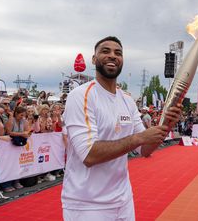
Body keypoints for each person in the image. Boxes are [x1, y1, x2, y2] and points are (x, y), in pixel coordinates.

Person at [61, 36, 182, 220]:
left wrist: (165, 126)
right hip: (87, 205)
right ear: (94, 59)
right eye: (105, 51)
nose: (112, 56)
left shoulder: (127, 100)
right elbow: (89, 155)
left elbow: (145, 150)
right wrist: (139, 138)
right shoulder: (81, 96)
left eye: (118, 53)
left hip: (123, 200)